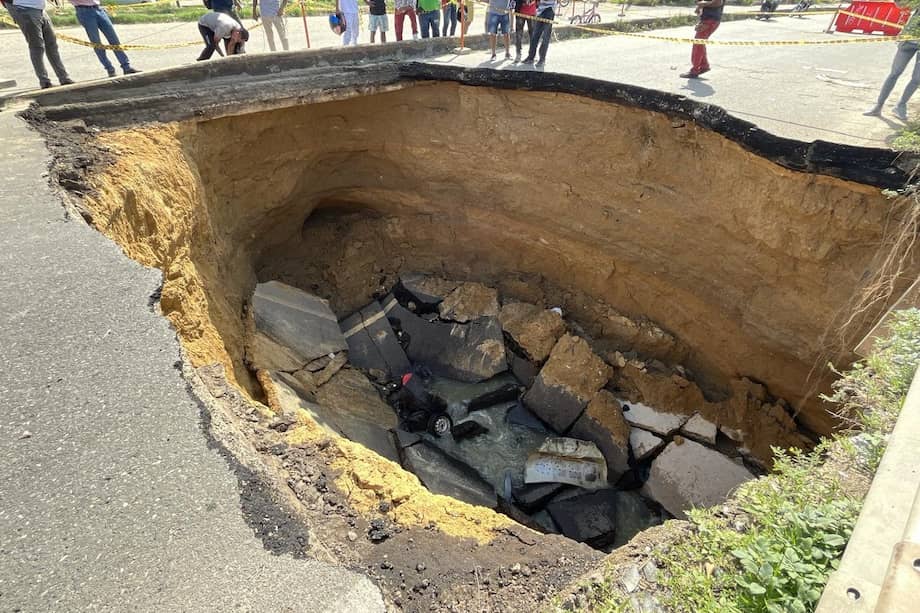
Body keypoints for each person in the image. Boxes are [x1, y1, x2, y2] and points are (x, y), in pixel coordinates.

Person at [864, 9, 920, 121]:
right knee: (894, 73)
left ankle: (901, 105)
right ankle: (878, 106)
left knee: (917, 79)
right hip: (908, 41)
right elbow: (900, 4)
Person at [5, 0, 74, 89]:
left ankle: (64, 78)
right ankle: (45, 81)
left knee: (51, 44)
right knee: (37, 46)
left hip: (40, 9)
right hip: (23, 8)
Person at [68, 0, 140, 77]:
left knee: (114, 39)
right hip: (84, 11)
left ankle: (126, 67)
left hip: (98, 8)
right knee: (96, 43)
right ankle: (110, 69)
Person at [680, 0, 723, 79]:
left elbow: (718, 2)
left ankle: (694, 71)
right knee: (700, 43)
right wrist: (700, 7)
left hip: (710, 21)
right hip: (708, 20)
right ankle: (704, 66)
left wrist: (703, 4)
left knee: (698, 44)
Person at [521, 0, 553, 67]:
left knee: (545, 37)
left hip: (550, 10)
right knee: (535, 35)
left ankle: (542, 59)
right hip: (540, 11)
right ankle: (531, 57)